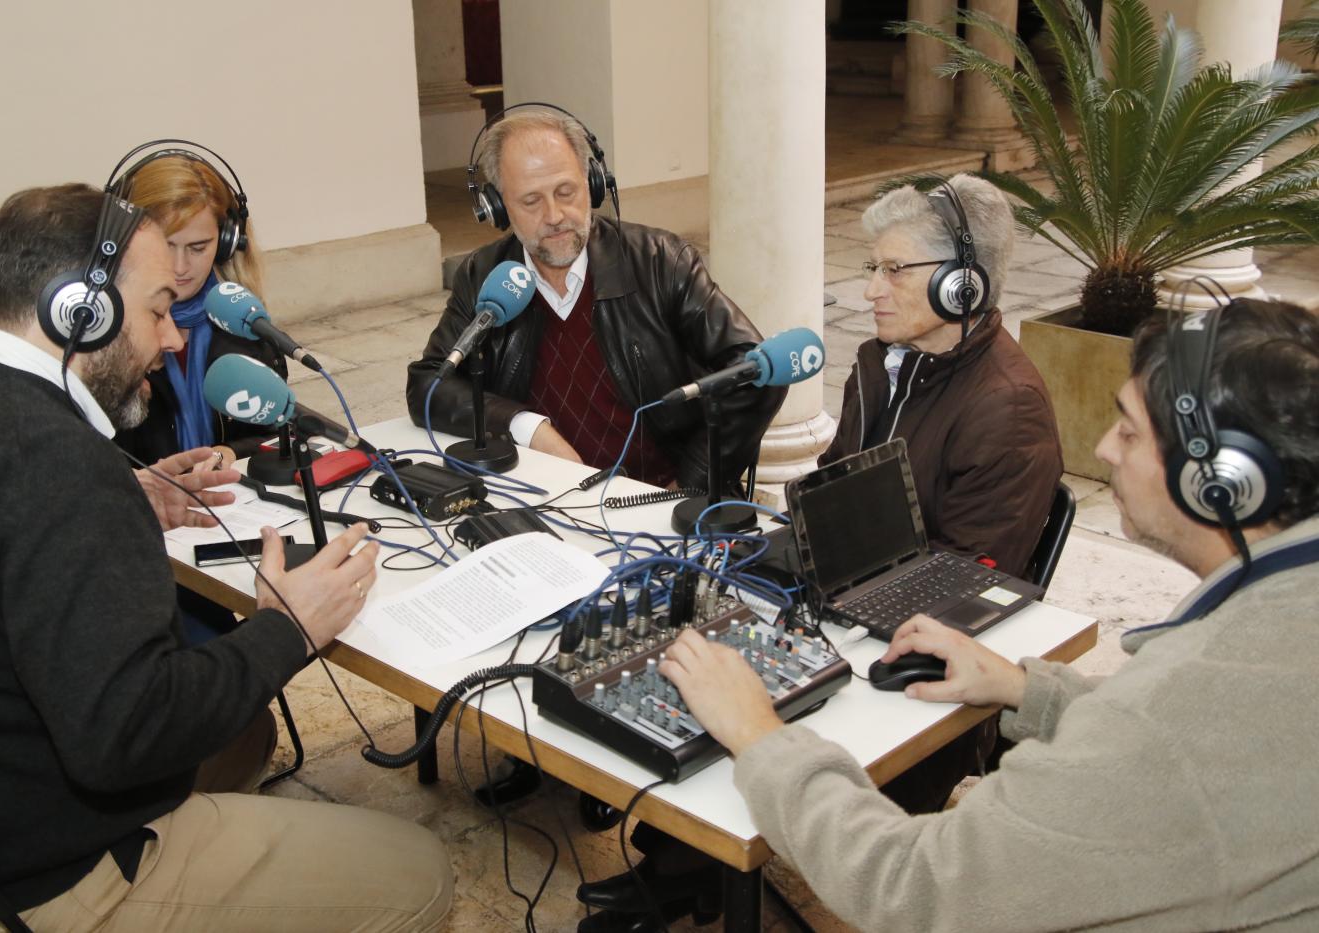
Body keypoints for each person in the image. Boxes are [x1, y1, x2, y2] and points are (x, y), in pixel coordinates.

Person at [661, 298, 1319, 931]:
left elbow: (916, 891)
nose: (1104, 449)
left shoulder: (1165, 719)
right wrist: (1029, 689)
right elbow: (1192, 736)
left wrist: (760, 735)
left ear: (1224, 482)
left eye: (1127, 428)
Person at [0, 184, 453, 931]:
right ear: (81, 311)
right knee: (419, 872)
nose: (172, 339)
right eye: (157, 309)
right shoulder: (62, 464)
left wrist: (121, 499)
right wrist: (287, 628)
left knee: (244, 736)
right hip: (33, 881)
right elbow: (126, 736)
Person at [821, 174, 1064, 817]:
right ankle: (684, 868)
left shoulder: (1007, 407)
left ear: (963, 283)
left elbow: (966, 583)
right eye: (873, 267)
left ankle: (686, 876)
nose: (871, 289)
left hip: (925, 663)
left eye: (894, 270)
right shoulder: (881, 364)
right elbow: (832, 482)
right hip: (850, 601)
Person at [405, 107, 784, 491]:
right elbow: (428, 385)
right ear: (498, 208)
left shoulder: (660, 261)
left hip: (658, 497)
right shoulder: (484, 275)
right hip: (548, 497)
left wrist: (692, 482)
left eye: (566, 191)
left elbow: (760, 372)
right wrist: (528, 427)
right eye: (531, 201)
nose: (554, 215)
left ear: (594, 184)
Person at [112, 143, 285, 469]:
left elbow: (278, 430)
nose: (179, 267)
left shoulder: (242, 323)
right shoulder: (102, 340)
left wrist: (232, 453)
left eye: (197, 247)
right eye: (166, 245)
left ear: (226, 242)